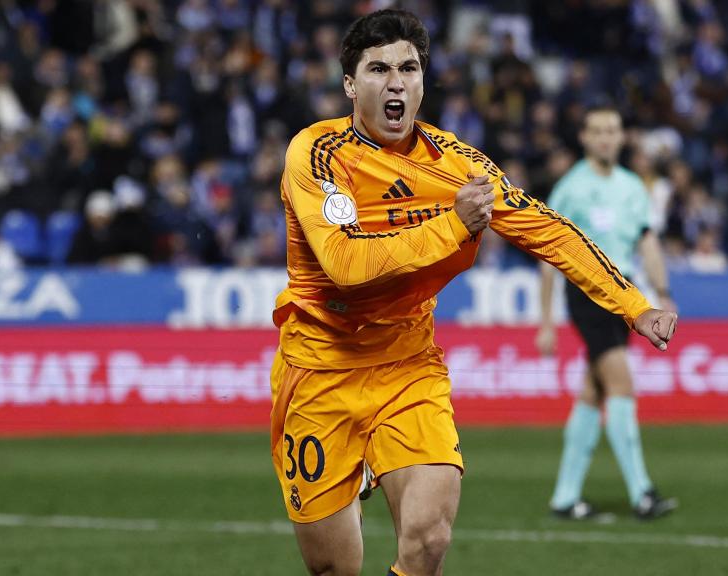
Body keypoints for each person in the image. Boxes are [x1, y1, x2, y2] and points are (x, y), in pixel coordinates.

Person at [272, 10, 678, 576]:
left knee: (429, 540)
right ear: (350, 85)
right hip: (321, 371)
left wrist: (634, 304)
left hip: (408, 367)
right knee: (334, 567)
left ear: (423, 81)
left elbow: (548, 229)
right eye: (378, 69)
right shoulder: (317, 154)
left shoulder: (458, 164)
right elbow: (346, 264)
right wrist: (453, 224)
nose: (395, 82)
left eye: (408, 68)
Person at [535, 104, 679, 522]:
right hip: (588, 293)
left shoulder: (633, 187)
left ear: (621, 137)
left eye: (612, 130)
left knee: (593, 391)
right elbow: (547, 254)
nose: (605, 138)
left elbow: (647, 241)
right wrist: (546, 322)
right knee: (621, 385)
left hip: (625, 294)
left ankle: (565, 497)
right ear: (584, 137)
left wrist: (663, 293)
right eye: (597, 131)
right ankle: (642, 493)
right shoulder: (570, 189)